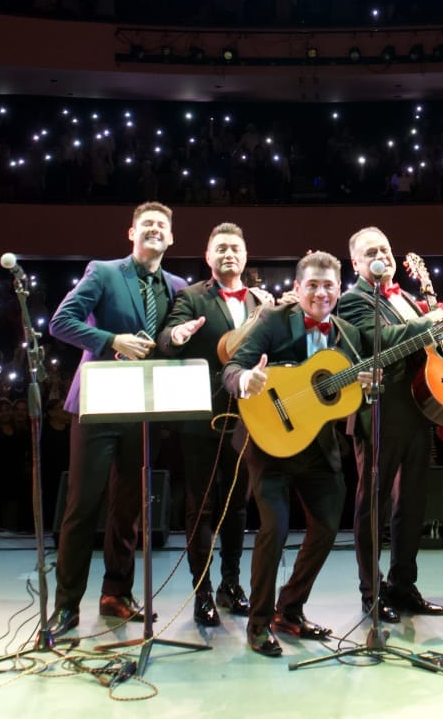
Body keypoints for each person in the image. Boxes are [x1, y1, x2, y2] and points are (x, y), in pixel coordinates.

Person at [223, 252, 434, 658]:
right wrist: (246, 378)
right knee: (275, 530)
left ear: (339, 289)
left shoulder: (347, 334)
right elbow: (232, 367)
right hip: (270, 442)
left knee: (327, 526)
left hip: (318, 447)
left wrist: (367, 388)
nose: (321, 293)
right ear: (297, 288)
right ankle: (259, 624)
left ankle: (290, 609)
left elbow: (349, 395)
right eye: (313, 286)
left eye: (328, 286)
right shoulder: (273, 321)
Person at [49, 202, 187, 638]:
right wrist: (112, 340)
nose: (154, 229)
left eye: (161, 225)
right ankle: (66, 606)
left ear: (171, 238)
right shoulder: (104, 272)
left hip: (145, 405)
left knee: (128, 509)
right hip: (99, 401)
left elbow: (175, 340)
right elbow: (61, 322)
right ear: (132, 233)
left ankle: (116, 595)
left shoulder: (178, 287)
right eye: (146, 224)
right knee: (82, 506)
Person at [156, 222, 274, 626]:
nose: (228, 254)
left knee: (238, 505)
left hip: (250, 415)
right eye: (220, 248)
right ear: (208, 257)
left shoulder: (261, 301)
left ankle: (231, 585)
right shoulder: (191, 296)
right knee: (201, 506)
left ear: (245, 256)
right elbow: (166, 339)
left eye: (235, 248)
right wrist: (179, 334)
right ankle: (202, 591)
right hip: (203, 417)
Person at [335, 227, 443, 622]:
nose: (380, 256)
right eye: (370, 252)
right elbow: (376, 340)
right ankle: (371, 591)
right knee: (373, 507)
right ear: (356, 263)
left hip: (418, 411)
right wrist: (430, 322)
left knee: (412, 505)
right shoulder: (352, 300)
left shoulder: (409, 300)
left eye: (385, 249)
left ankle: (403, 584)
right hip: (379, 412)